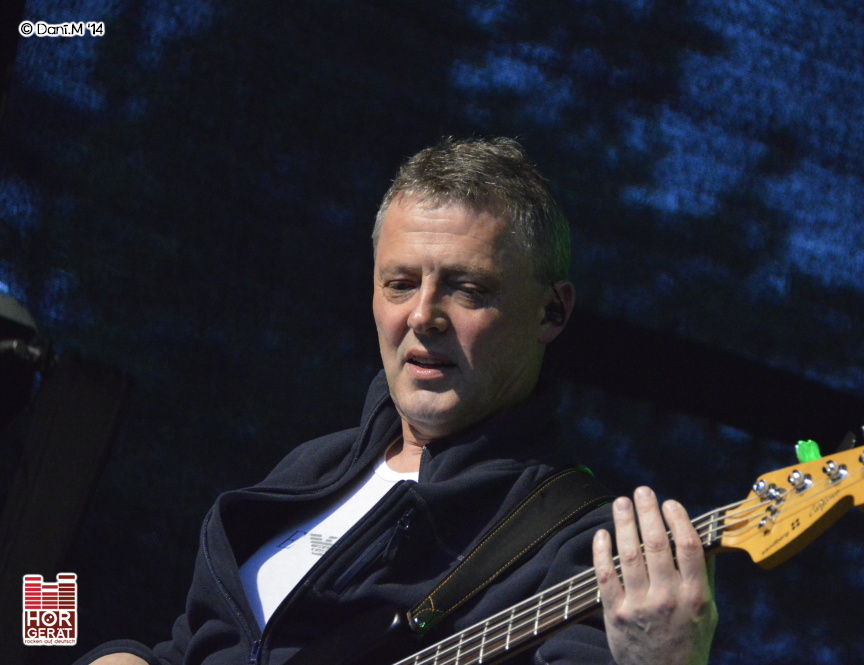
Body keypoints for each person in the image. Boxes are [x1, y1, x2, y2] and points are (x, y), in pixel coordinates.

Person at [75, 137, 717, 665]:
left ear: (552, 311)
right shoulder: (314, 467)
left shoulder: (588, 545)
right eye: (400, 283)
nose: (422, 315)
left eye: (467, 289)